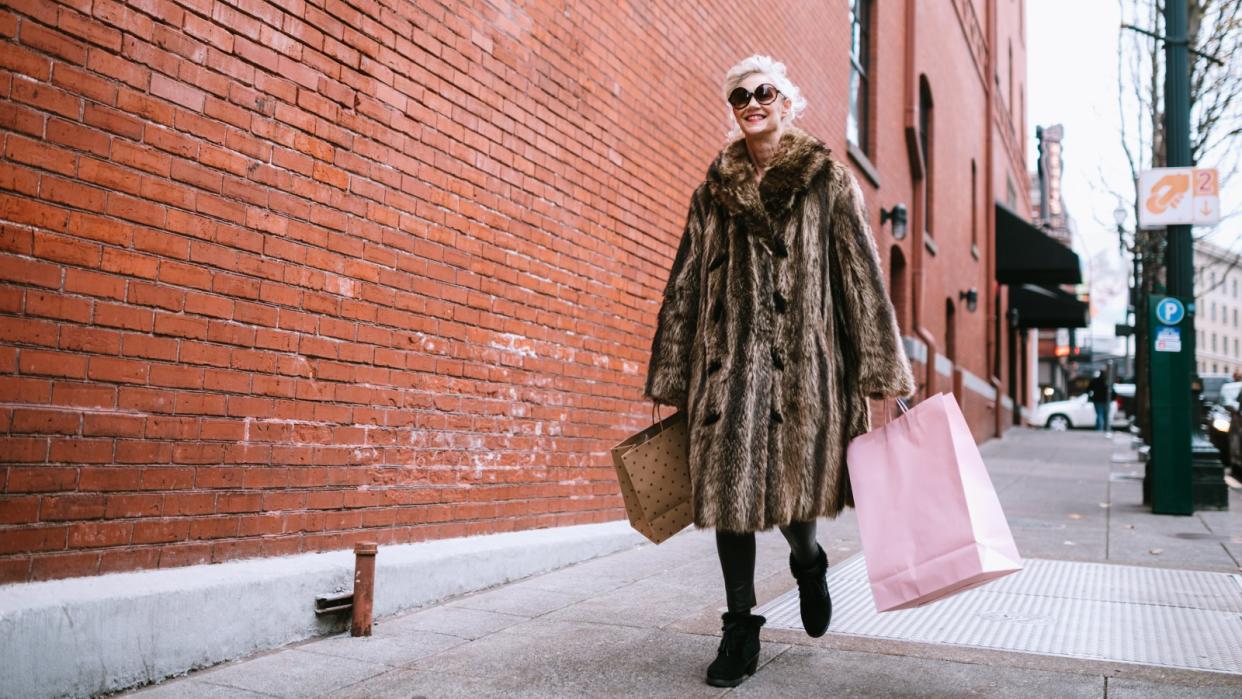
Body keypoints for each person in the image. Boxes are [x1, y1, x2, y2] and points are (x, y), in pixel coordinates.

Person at [643, 54, 915, 688]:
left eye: (763, 92)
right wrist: (672, 376)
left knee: (794, 494)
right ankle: (739, 628)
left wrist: (881, 371)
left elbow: (861, 281)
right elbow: (684, 285)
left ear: (787, 102)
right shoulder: (712, 191)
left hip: (804, 371)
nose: (751, 103)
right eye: (739, 97)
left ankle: (808, 560)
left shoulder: (829, 181)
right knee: (728, 501)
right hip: (729, 370)